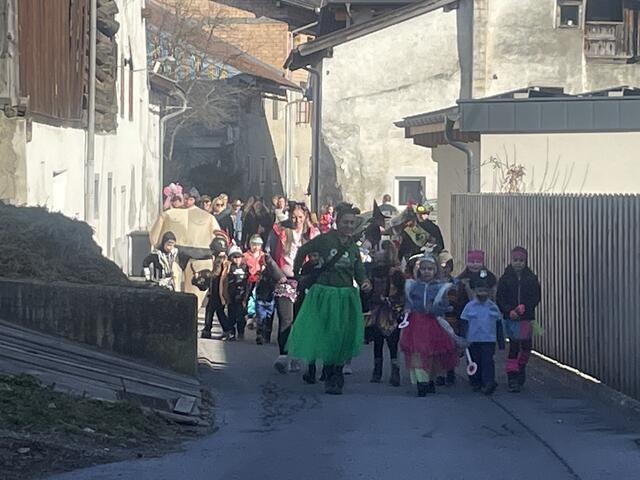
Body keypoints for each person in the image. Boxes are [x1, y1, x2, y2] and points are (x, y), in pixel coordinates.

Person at [286, 203, 372, 395]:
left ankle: (336, 373)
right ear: (337, 222)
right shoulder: (325, 240)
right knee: (324, 333)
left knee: (341, 335)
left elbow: (358, 268)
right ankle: (323, 368)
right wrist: (298, 274)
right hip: (325, 294)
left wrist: (364, 282)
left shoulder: (352, 246)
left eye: (352, 223)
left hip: (345, 295)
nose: (349, 226)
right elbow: (303, 251)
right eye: (345, 222)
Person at [267, 203, 319, 374]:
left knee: (299, 319)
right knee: (286, 318)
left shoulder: (312, 234)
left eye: (300, 217)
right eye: (294, 217)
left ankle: (296, 354)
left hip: (304, 280)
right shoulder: (279, 231)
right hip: (284, 279)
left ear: (306, 217)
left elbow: (320, 256)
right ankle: (283, 355)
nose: (297, 221)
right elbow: (268, 255)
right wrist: (278, 275)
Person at [400, 254, 459, 396]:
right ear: (419, 270)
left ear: (435, 270)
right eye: (424, 269)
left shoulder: (440, 288)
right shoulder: (413, 286)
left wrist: (434, 309)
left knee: (432, 353)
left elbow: (444, 306)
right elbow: (408, 302)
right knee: (417, 351)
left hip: (433, 323)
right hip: (416, 323)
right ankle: (421, 382)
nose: (426, 272)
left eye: (430, 269)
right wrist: (407, 309)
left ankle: (430, 379)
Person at [497, 246, 541, 393]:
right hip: (511, 319)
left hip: (526, 318)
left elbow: (536, 296)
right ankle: (512, 376)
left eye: (521, 260)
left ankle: (521, 367)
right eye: (515, 260)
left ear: (526, 261)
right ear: (511, 260)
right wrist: (509, 310)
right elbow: (500, 298)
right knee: (514, 346)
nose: (518, 263)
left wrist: (526, 307)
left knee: (527, 347)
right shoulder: (505, 278)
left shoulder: (531, 278)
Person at [366, 240, 404, 387]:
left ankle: (395, 370)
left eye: (379, 250)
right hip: (376, 310)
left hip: (391, 311)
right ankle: (377, 370)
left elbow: (401, 291)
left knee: (393, 342)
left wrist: (392, 301)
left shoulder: (395, 273)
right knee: (378, 341)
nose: (375, 252)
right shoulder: (372, 270)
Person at [461, 270, 502, 395]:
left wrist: (501, 342)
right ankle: (475, 382)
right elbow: (464, 323)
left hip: (488, 340)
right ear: (474, 290)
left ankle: (488, 382)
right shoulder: (469, 307)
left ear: (489, 291)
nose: (482, 293)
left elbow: (498, 324)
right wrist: (463, 339)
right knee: (474, 361)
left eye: (485, 290)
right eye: (479, 289)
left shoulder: (493, 307)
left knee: (487, 361)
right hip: (472, 340)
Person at [198, 231, 231, 340]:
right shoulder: (224, 258)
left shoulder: (219, 260)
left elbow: (214, 274)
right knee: (216, 311)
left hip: (217, 291)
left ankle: (210, 329)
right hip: (218, 290)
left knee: (212, 310)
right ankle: (225, 329)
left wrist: (204, 274)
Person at [225, 246, 250, 340]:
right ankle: (231, 333)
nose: (237, 259)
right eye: (234, 257)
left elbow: (248, 282)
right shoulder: (229, 267)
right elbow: (225, 281)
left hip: (242, 295)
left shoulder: (245, 267)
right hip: (232, 294)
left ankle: (241, 332)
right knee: (231, 315)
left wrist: (246, 296)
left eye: (239, 257)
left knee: (241, 316)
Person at [243, 234, 266, 330]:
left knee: (257, 298)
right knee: (249, 298)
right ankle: (250, 316)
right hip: (249, 280)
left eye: (258, 245)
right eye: (254, 244)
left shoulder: (263, 256)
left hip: (259, 280)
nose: (256, 247)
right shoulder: (246, 256)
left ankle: (257, 318)